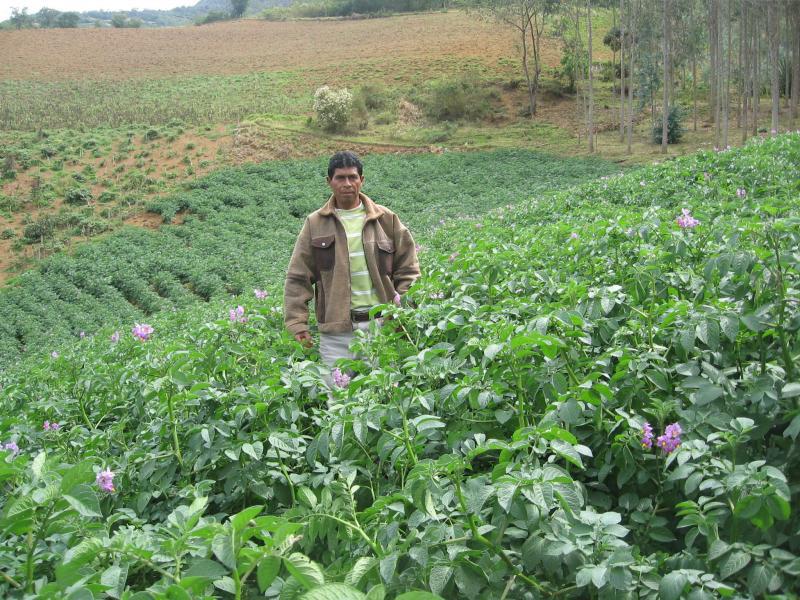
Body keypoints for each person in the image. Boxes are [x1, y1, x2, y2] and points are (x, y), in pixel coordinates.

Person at [283, 151, 420, 372]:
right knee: (337, 399)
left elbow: (409, 269)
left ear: (361, 180)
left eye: (352, 177)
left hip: (381, 327)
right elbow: (298, 277)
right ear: (329, 182)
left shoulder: (386, 220)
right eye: (340, 178)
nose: (347, 183)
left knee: (382, 395)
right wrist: (297, 322)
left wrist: (402, 306)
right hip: (336, 333)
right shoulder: (315, 224)